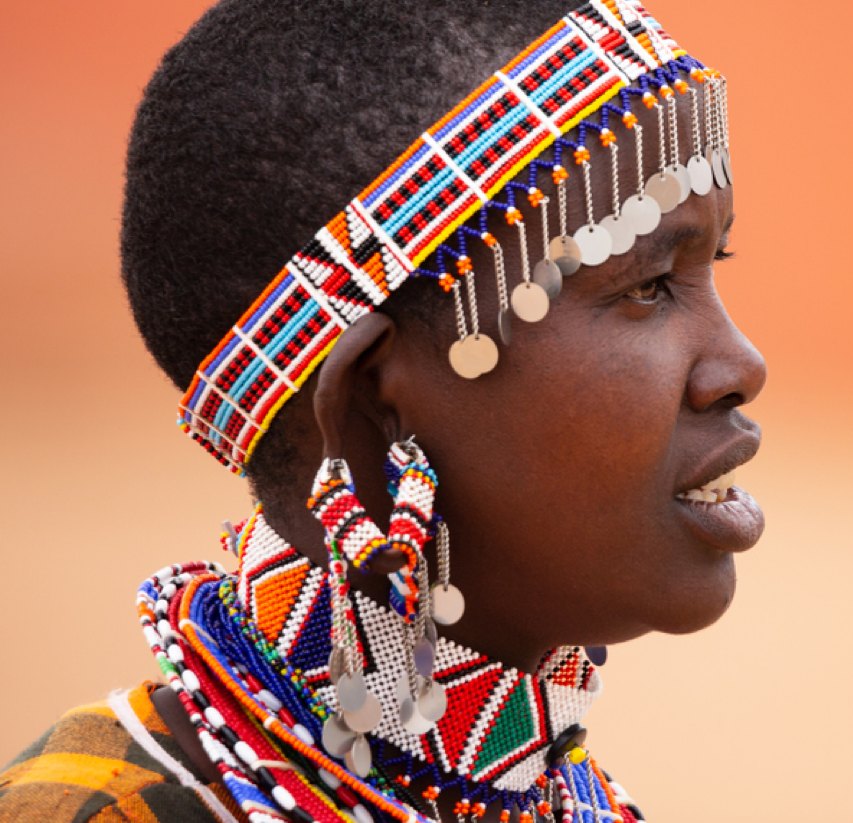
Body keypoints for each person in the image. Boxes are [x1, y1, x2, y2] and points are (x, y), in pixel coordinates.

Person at [0, 0, 764, 820]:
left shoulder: (564, 800)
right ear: (373, 401)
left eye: (713, 260)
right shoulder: (100, 809)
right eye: (648, 287)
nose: (741, 367)